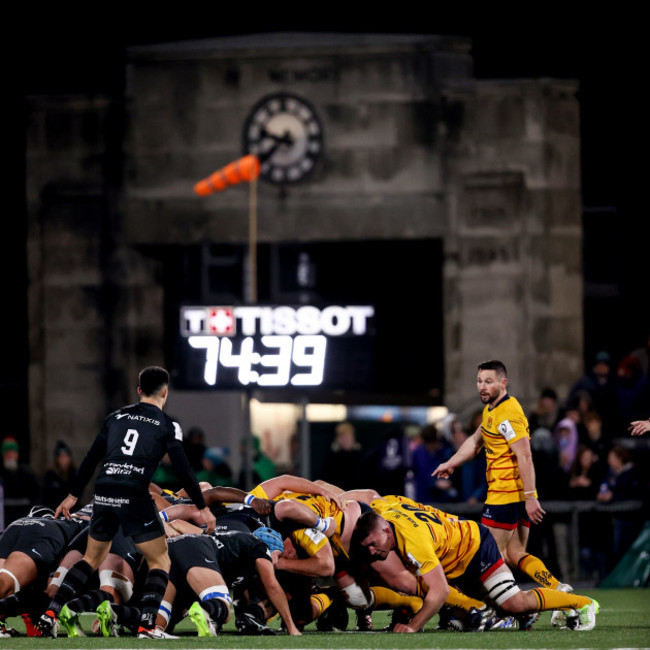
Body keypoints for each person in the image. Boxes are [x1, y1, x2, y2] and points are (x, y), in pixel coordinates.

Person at [37, 366, 216, 639]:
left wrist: (73, 495)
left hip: (104, 490)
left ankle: (51, 613)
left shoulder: (115, 417)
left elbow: (90, 458)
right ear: (165, 393)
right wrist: (202, 506)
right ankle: (146, 626)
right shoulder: (167, 425)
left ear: (139, 391)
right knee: (160, 561)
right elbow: (182, 469)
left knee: (91, 558)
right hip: (133, 493)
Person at [432, 360, 572, 612]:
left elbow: (525, 455)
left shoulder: (508, 413)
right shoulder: (491, 411)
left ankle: (495, 610)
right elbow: (475, 442)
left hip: (504, 496)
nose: (482, 387)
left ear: (503, 383)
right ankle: (556, 589)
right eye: (479, 381)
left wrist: (530, 497)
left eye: (488, 381)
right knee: (515, 553)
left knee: (488, 559)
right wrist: (451, 462)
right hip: (511, 495)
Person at [350, 495, 599, 632]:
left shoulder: (412, 542)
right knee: (460, 619)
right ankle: (517, 613)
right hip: (455, 555)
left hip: (475, 548)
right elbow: (370, 494)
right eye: (368, 547)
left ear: (385, 528)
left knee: (513, 602)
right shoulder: (386, 507)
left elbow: (440, 591)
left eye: (374, 543)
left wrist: (413, 627)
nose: (373, 550)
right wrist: (335, 496)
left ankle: (582, 603)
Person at [0, 437, 41, 526]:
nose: (10, 456)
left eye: (13, 452)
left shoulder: (27, 473)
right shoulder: (1, 475)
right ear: (3, 455)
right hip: (5, 520)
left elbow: (37, 495)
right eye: (7, 453)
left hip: (25, 519)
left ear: (17, 454)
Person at [320, 422, 363, 491]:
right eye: (342, 437)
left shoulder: (360, 456)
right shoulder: (331, 458)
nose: (345, 440)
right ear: (337, 439)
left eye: (348, 437)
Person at [41, 441, 77, 510]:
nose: (63, 459)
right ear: (57, 459)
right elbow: (46, 496)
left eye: (65, 456)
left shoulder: (74, 473)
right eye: (60, 456)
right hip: (53, 509)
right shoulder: (50, 475)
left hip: (71, 510)